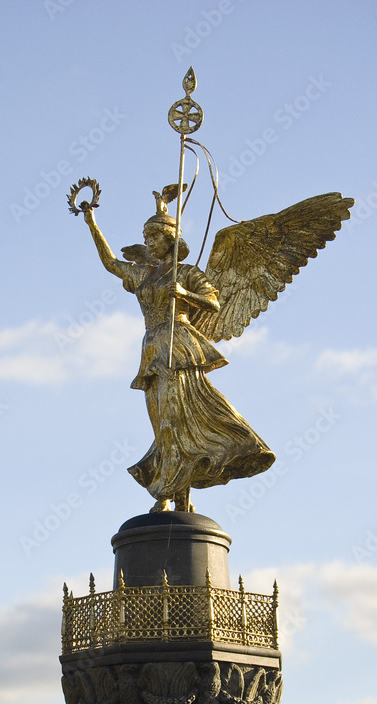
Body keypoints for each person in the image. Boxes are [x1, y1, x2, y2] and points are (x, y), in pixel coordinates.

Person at [81, 190, 275, 512]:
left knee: (174, 421)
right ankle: (183, 499)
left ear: (169, 239)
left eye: (154, 237)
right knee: (162, 425)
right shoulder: (143, 274)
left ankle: (165, 495)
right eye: (147, 238)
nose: (149, 243)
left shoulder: (186, 273)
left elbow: (213, 303)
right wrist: (91, 222)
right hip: (152, 347)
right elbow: (110, 263)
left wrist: (185, 294)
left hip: (179, 344)